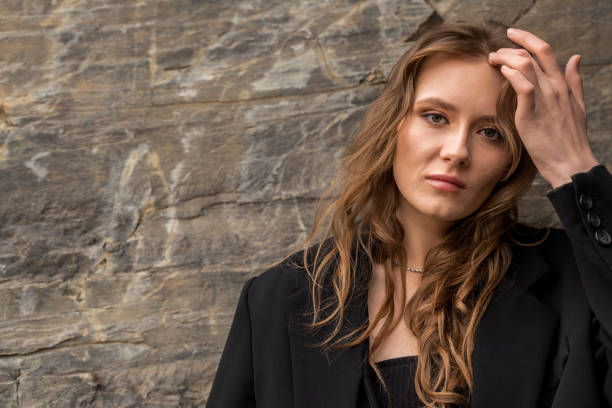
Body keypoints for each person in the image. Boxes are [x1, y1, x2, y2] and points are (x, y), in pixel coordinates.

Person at [206, 20, 611, 408]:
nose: (457, 151)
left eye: (491, 132)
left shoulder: (577, 281)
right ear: (392, 125)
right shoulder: (277, 300)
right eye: (435, 117)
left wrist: (571, 164)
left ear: (513, 156)